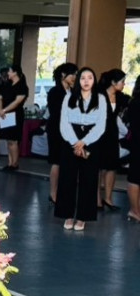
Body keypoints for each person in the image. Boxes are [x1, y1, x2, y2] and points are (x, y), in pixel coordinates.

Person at [56, 67, 107, 232]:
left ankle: (83, 217)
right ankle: (67, 215)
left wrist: (84, 142)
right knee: (67, 178)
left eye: (90, 78)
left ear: (94, 81)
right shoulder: (69, 97)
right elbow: (64, 122)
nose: (86, 81)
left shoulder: (100, 98)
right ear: (78, 80)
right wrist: (75, 142)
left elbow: (101, 124)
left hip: (91, 139)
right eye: (83, 78)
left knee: (89, 179)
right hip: (70, 139)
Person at [97, 68, 129, 211]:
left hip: (112, 134)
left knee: (112, 166)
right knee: (99, 167)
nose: (124, 84)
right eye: (122, 81)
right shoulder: (99, 95)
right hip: (99, 134)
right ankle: (97, 199)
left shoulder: (120, 97)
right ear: (113, 82)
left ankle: (108, 199)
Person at [46, 62, 78, 203]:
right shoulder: (55, 92)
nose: (75, 77)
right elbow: (56, 112)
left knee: (67, 163)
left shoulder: (73, 92)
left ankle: (63, 192)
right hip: (56, 130)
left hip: (70, 131)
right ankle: (53, 193)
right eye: (73, 74)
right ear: (63, 75)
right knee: (56, 161)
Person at [0, 64, 29, 170]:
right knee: (8, 140)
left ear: (15, 72)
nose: (8, 73)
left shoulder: (22, 86)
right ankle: (10, 162)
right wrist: (0, 110)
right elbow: (0, 98)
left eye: (10, 71)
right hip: (5, 115)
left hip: (16, 115)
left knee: (13, 140)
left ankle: (15, 163)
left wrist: (4, 110)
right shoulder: (7, 85)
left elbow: (17, 102)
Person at [125, 76, 140, 223]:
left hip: (136, 142)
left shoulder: (133, 102)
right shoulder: (136, 103)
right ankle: (135, 210)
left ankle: (136, 210)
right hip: (138, 143)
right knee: (135, 177)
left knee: (135, 176)